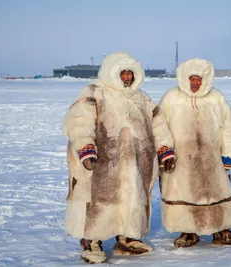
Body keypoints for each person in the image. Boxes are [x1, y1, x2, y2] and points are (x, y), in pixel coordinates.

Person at [63, 52, 176, 263]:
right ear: (112, 73)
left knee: (131, 197)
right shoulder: (95, 92)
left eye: (130, 74)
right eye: (122, 73)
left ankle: (125, 238)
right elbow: (79, 120)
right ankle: (91, 241)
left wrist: (165, 149)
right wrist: (85, 146)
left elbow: (158, 124)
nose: (126, 78)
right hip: (101, 160)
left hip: (136, 161)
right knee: (98, 200)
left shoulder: (141, 98)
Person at [159, 58, 231, 248]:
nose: (195, 83)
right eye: (192, 79)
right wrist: (165, 150)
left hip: (212, 158)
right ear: (184, 78)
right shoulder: (171, 98)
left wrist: (229, 153)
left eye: (199, 79)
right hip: (182, 159)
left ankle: (223, 230)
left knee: (217, 192)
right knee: (185, 192)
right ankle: (188, 231)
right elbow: (159, 126)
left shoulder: (216, 98)